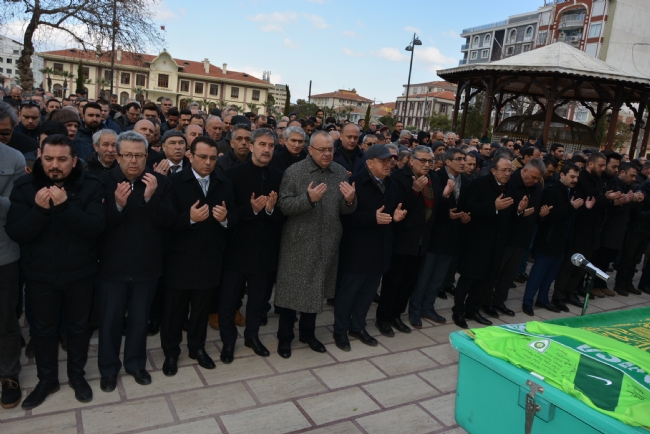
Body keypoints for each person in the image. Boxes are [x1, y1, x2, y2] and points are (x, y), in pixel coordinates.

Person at [6, 134, 106, 409]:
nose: (54, 165)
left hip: (80, 273)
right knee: (43, 330)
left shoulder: (91, 185)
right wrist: (39, 211)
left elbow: (95, 228)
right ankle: (47, 379)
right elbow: (16, 232)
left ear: (74, 161)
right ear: (40, 157)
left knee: (79, 328)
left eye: (62, 159)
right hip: (40, 275)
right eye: (48, 158)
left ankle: (77, 375)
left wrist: (64, 207)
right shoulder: (25, 187)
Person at [96, 131, 175, 392]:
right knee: (110, 322)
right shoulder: (102, 182)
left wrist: (150, 199)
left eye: (139, 155)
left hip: (147, 266)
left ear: (147, 156)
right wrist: (117, 206)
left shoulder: (160, 183)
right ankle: (108, 369)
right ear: (117, 156)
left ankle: (135, 364)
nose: (133, 160)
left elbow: (169, 220)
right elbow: (95, 226)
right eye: (128, 155)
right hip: (112, 267)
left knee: (140, 321)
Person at [274, 131, 357, 358]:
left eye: (331, 149)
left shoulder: (340, 172)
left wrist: (350, 200)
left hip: (327, 242)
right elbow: (284, 205)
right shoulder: (294, 172)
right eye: (322, 150)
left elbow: (344, 210)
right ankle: (285, 338)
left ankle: (307, 334)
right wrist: (308, 199)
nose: (328, 154)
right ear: (310, 150)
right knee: (292, 293)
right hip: (298, 243)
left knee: (316, 290)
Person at [160, 136, 234, 375]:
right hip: (179, 259)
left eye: (212, 158)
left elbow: (234, 218)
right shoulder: (172, 182)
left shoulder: (224, 182)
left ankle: (197, 347)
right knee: (174, 312)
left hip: (210, 258)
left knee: (201, 310)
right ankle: (171, 353)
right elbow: (164, 220)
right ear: (190, 156)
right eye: (202, 157)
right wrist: (189, 219)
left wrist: (225, 220)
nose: (208, 163)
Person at [219, 128, 283, 363]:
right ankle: (228, 341)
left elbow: (284, 214)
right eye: (262, 144)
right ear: (252, 146)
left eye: (271, 146)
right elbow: (227, 214)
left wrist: (271, 210)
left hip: (265, 250)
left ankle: (252, 336)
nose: (267, 149)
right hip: (236, 250)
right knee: (229, 302)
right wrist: (252, 210)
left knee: (257, 301)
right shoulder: (233, 175)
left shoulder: (279, 176)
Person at [334, 145, 405, 351]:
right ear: (369, 163)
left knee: (368, 293)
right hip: (356, 251)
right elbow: (344, 217)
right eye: (383, 161)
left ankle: (358, 326)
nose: (388, 164)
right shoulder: (354, 183)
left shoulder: (393, 184)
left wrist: (396, 218)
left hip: (381, 249)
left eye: (390, 160)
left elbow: (392, 212)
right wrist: (371, 217)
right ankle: (340, 330)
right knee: (348, 294)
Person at [377, 146, 451, 335]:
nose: (427, 164)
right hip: (401, 239)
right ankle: (383, 318)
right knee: (393, 282)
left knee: (409, 282)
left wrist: (445, 196)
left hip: (422, 240)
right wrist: (415, 191)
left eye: (430, 161)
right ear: (411, 161)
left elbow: (435, 208)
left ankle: (396, 315)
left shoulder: (433, 178)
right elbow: (397, 208)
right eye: (423, 160)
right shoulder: (398, 178)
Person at [454, 156, 529, 328]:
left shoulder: (510, 187)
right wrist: (493, 207)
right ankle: (458, 311)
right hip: (477, 241)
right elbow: (470, 207)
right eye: (504, 170)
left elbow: (510, 215)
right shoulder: (479, 184)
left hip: (497, 242)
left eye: (510, 170)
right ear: (493, 170)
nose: (507, 174)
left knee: (484, 280)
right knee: (468, 279)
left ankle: (473, 309)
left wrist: (519, 210)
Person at [552, 152, 617, 312]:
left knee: (583, 266)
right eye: (600, 165)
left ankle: (571, 292)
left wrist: (611, 200)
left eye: (604, 165)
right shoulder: (580, 181)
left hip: (593, 230)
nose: (603, 168)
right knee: (570, 265)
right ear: (590, 164)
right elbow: (586, 202)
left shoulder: (598, 180)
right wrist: (604, 198)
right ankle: (558, 296)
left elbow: (598, 202)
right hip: (579, 230)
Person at [486, 160, 545, 318]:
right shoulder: (510, 183)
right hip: (506, 237)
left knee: (509, 274)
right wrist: (519, 212)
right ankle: (486, 302)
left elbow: (534, 212)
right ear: (524, 171)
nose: (535, 181)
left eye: (538, 179)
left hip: (523, 239)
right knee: (495, 272)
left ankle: (499, 301)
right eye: (533, 177)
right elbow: (501, 211)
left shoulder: (536, 188)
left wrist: (540, 216)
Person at [522, 164, 583, 315]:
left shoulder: (572, 192)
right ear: (562, 175)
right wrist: (570, 207)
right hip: (548, 240)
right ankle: (527, 302)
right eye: (572, 177)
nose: (575, 180)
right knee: (538, 273)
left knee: (551, 274)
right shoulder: (551, 192)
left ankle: (543, 299)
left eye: (577, 177)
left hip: (563, 241)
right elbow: (548, 216)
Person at [0, 139, 26, 409]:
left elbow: (15, 206)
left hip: (3, 252)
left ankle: (9, 374)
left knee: (6, 317)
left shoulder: (13, 158)